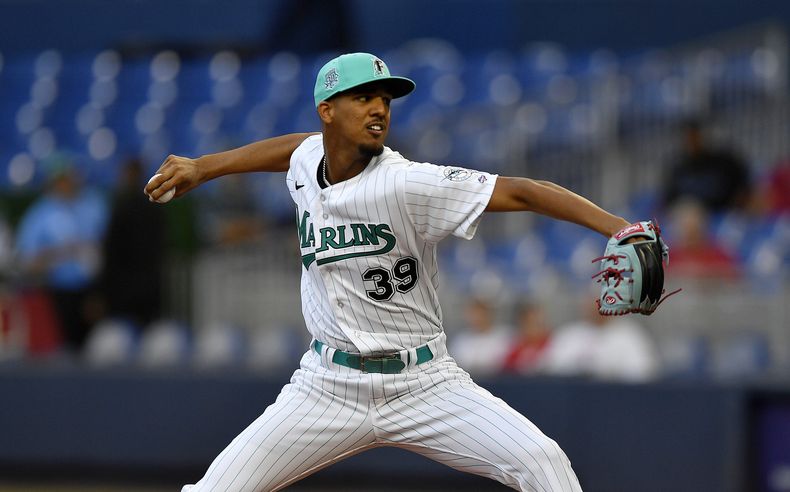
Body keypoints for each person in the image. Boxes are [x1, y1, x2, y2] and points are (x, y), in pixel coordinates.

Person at [146, 52, 638, 492]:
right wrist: (204, 167)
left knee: (543, 462)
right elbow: (293, 149)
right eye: (363, 97)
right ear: (328, 112)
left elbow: (525, 190)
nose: (379, 108)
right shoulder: (309, 158)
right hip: (326, 386)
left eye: (385, 99)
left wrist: (619, 229)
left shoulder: (407, 183)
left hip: (424, 382)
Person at [15, 152, 109, 352]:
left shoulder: (92, 206)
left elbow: (107, 245)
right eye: (60, 179)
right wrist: (60, 254)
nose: (66, 184)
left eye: (69, 177)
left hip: (92, 290)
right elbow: (28, 261)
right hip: (57, 293)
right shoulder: (39, 215)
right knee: (62, 350)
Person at [541, 297, 660, 382]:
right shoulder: (570, 334)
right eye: (593, 302)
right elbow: (550, 367)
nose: (597, 307)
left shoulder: (630, 335)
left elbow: (643, 372)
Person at [662, 119, 751, 214]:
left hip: (727, 215)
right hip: (693, 218)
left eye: (695, 137)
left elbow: (743, 187)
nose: (692, 142)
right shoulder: (678, 168)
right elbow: (669, 202)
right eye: (689, 138)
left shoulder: (724, 162)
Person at [449, 296, 511, 376]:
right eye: (473, 314)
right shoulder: (460, 340)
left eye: (481, 313)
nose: (477, 318)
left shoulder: (504, 337)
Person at [502, 302, 552, 375]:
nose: (535, 328)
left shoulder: (553, 345)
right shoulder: (516, 347)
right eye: (530, 323)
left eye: (538, 323)